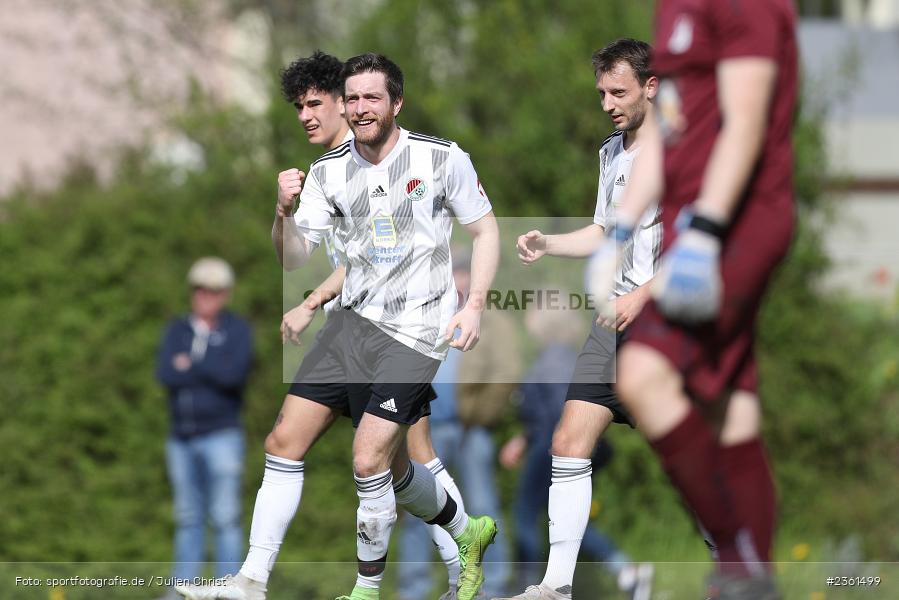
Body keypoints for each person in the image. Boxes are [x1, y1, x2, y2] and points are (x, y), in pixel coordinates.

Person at [176, 52, 470, 600]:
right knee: (307, 445)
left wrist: (313, 299)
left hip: (403, 331)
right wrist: (288, 227)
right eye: (299, 107)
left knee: (409, 458)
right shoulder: (325, 172)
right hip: (352, 328)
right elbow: (327, 258)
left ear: (344, 101)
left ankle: (453, 568)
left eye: (317, 103)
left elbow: (389, 253)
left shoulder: (386, 160)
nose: (307, 115)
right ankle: (252, 578)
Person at [590, 2, 798, 598]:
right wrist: (622, 231)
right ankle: (749, 574)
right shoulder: (673, 8)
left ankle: (737, 555)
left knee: (642, 372)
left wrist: (705, 231)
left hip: (737, 220)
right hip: (694, 225)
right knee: (729, 406)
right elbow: (669, 130)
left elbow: (745, 119)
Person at [498, 38, 660, 600]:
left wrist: (642, 296)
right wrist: (548, 243)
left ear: (651, 87)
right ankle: (556, 586)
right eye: (602, 93)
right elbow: (601, 231)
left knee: (690, 459)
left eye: (619, 91)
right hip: (610, 324)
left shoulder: (682, 151)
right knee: (569, 442)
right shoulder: (610, 152)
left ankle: (735, 572)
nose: (608, 103)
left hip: (663, 322)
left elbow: (694, 246)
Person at [499, 295, 647, 599]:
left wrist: (535, 440)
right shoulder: (566, 356)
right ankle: (625, 570)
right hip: (554, 442)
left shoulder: (552, 360)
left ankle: (527, 582)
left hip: (553, 447)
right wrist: (524, 438)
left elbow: (559, 412)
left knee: (526, 514)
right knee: (567, 519)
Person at [398, 248, 520, 600]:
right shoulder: (425, 317)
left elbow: (506, 373)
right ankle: (413, 590)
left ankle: (494, 589)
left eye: (464, 273)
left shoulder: (492, 322)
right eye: (453, 273)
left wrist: (478, 415)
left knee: (483, 506)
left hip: (472, 431)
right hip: (425, 427)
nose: (458, 280)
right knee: (420, 510)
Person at [156, 257, 253, 598]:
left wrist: (193, 364)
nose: (205, 297)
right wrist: (208, 365)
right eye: (200, 290)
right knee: (188, 518)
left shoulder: (237, 330)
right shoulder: (178, 330)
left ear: (224, 294)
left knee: (225, 518)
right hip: (181, 438)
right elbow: (166, 375)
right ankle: (181, 591)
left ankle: (228, 590)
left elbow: (233, 376)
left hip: (222, 435)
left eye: (213, 291)